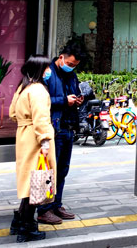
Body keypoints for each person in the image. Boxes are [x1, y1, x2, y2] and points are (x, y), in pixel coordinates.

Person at [8, 55, 56, 242]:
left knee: (28, 182)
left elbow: (12, 113)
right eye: (47, 68)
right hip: (36, 139)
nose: (49, 71)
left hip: (24, 136)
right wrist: (45, 141)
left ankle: (19, 221)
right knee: (37, 182)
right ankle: (27, 227)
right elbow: (41, 118)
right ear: (40, 69)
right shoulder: (38, 90)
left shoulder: (23, 87)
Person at [37, 43, 84, 224]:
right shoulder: (47, 72)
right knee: (47, 170)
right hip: (52, 129)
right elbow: (41, 99)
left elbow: (75, 91)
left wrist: (78, 99)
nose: (71, 67)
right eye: (70, 63)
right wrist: (64, 100)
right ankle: (44, 209)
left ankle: (56, 204)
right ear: (61, 57)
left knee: (62, 170)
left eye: (75, 65)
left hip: (68, 126)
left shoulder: (71, 74)